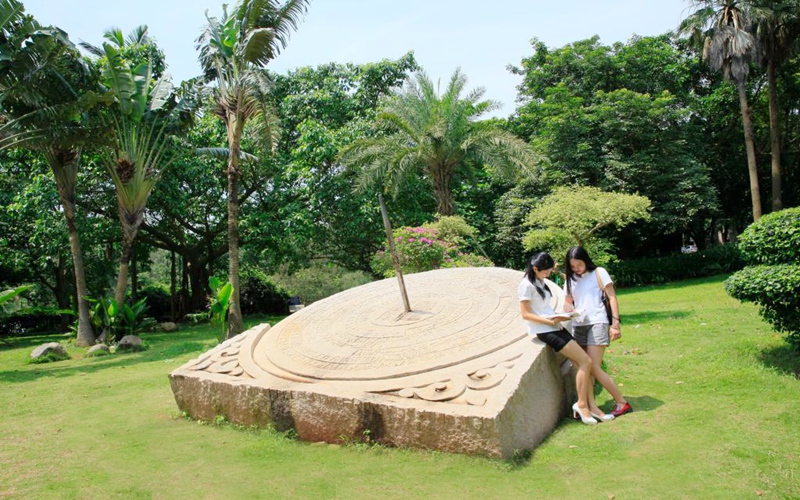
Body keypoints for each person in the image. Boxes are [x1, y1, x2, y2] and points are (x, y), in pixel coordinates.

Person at [518, 251, 614, 425]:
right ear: (535, 268)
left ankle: (592, 407)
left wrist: (559, 316)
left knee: (582, 363)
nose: (548, 274)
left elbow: (542, 308)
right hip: (546, 330)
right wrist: (550, 319)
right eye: (545, 271)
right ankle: (582, 405)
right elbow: (525, 314)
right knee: (585, 361)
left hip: (555, 326)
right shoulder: (526, 284)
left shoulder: (539, 282)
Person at [562, 246, 632, 417]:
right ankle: (587, 406)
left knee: (593, 365)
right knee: (583, 366)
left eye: (579, 264)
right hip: (579, 324)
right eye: (573, 266)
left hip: (597, 322)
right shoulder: (570, 280)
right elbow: (567, 302)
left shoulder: (599, 272)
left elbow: (612, 297)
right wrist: (569, 307)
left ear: (586, 260)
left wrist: (615, 324)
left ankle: (621, 402)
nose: (576, 269)